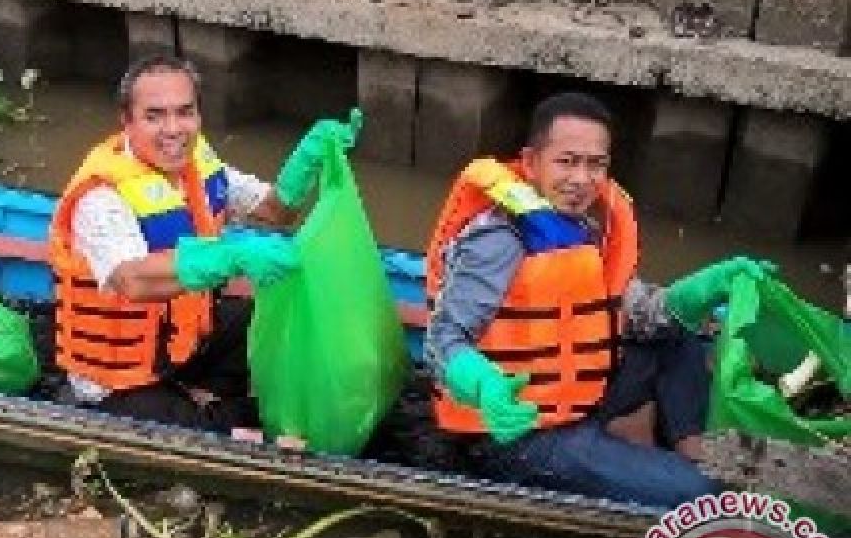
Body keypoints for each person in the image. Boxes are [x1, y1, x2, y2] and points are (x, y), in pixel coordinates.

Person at [424, 92, 772, 507]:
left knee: (676, 338)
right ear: (532, 163)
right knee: (705, 497)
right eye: (567, 161)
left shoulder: (581, 227)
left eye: (596, 164)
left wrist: (706, 287)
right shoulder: (498, 238)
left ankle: (691, 449)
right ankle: (687, 481)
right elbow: (442, 339)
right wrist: (482, 386)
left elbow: (641, 314)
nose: (582, 178)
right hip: (514, 434)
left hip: (578, 395)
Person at [49, 54, 360, 431]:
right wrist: (231, 255)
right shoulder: (101, 196)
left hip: (181, 342)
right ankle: (214, 411)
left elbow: (272, 212)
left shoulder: (199, 165)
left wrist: (308, 160)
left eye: (185, 112)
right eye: (154, 116)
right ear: (126, 122)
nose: (173, 129)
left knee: (268, 316)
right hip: (118, 379)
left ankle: (205, 391)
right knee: (226, 429)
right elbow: (131, 280)